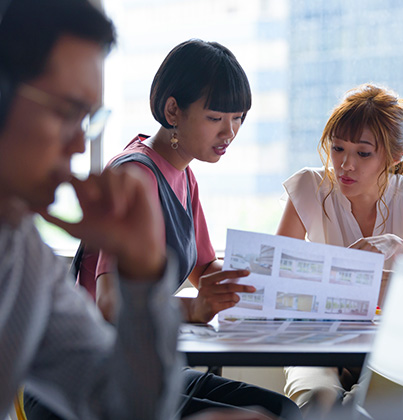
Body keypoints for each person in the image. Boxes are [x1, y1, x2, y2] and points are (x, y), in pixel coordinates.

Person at [63, 40, 301, 420]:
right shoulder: (136, 175)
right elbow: (109, 304)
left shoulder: (185, 177)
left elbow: (205, 270)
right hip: (96, 371)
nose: (230, 132)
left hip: (140, 363)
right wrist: (194, 307)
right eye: (215, 118)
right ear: (173, 109)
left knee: (284, 408)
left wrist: (281, 285)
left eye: (238, 117)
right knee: (277, 414)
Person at [0, 0, 183, 418]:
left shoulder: (22, 253)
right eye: (67, 112)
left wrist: (142, 269)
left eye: (87, 120)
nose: (80, 145)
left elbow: (126, 408)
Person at [276, 84, 403, 414]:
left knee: (378, 407)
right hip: (318, 339)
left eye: (363, 153)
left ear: (394, 156)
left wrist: (398, 249)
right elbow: (278, 279)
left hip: (401, 341)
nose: (345, 165)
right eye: (337, 149)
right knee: (315, 405)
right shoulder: (309, 188)